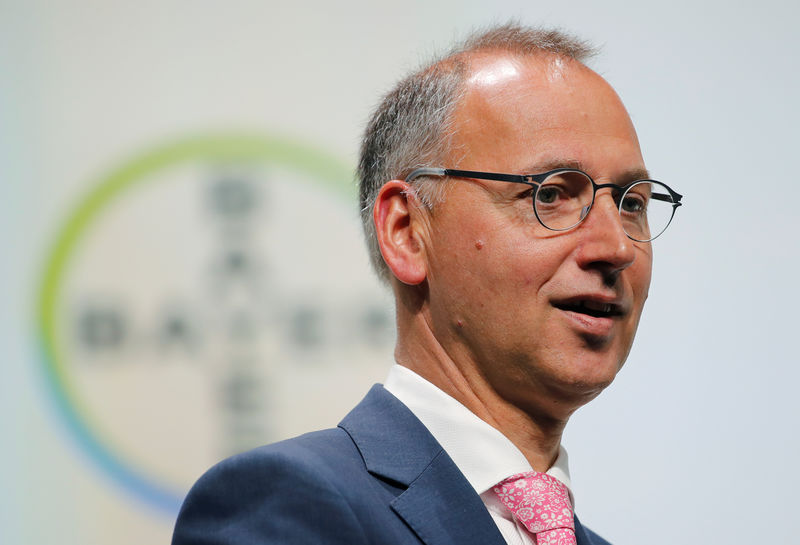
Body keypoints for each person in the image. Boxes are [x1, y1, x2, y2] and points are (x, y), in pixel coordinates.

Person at [172, 22, 682, 545]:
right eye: (550, 194)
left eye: (632, 204)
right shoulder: (290, 505)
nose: (615, 247)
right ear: (407, 232)